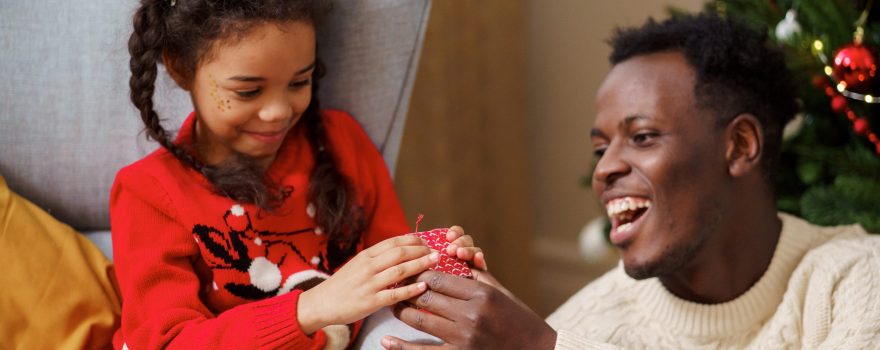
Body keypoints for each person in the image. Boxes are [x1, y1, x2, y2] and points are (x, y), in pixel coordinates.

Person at [381, 14, 880, 349]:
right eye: (601, 149)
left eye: (641, 137)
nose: (604, 170)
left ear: (741, 146)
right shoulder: (588, 324)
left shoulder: (855, 279)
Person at [111, 0, 484, 348]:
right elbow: (166, 341)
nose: (277, 112)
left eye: (298, 82)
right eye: (248, 91)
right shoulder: (148, 192)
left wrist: (437, 269)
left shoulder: (343, 143)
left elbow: (393, 275)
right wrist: (311, 308)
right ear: (180, 68)